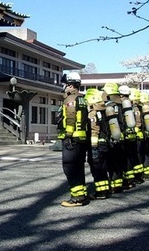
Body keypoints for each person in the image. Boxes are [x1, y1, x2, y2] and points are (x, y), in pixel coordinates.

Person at [58, 71, 90, 207]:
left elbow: (70, 118)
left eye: (66, 85)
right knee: (78, 167)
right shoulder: (82, 98)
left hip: (72, 139)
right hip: (82, 138)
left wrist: (68, 136)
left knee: (70, 168)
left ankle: (77, 198)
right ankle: (81, 194)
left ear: (71, 85)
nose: (64, 87)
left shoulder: (71, 99)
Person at [85, 88, 112, 200]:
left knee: (97, 169)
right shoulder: (104, 110)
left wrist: (93, 147)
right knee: (103, 168)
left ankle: (100, 193)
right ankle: (105, 190)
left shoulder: (93, 112)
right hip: (105, 144)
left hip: (96, 145)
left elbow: (94, 129)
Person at [101, 82, 126, 193]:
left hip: (111, 137)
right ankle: (118, 185)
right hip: (121, 136)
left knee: (111, 162)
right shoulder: (122, 105)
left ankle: (114, 185)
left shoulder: (109, 106)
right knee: (119, 162)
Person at [118, 85, 143, 187]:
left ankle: (127, 180)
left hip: (126, 136)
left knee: (126, 159)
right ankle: (132, 179)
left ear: (121, 95)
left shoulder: (123, 105)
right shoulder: (132, 106)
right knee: (132, 157)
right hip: (133, 135)